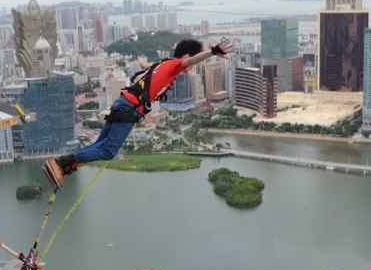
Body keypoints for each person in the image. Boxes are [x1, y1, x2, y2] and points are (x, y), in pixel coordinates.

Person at [43, 38, 234, 190]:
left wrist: (143, 63)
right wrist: (213, 52)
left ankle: (59, 167)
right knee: (108, 151)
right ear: (184, 56)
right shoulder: (176, 64)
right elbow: (190, 60)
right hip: (129, 109)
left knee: (99, 145)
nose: (190, 68)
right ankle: (59, 163)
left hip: (122, 103)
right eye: (188, 63)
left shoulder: (163, 63)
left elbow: (149, 66)